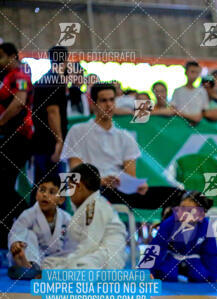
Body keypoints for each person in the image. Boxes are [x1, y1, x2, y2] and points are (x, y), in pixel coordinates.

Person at [61, 82, 185, 211]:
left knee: (180, 195)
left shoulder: (125, 136)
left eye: (112, 100)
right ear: (93, 104)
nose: (109, 104)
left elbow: (130, 176)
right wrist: (101, 180)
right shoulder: (78, 131)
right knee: (95, 191)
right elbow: (75, 171)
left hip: (119, 190)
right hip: (91, 188)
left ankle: (170, 227)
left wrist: (135, 185)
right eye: (103, 100)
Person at [42, 163, 127, 269]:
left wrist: (63, 265)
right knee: (48, 262)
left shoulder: (95, 206)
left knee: (84, 266)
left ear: (79, 187)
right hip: (88, 254)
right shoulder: (85, 207)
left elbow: (90, 245)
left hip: (106, 257)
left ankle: (58, 274)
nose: (69, 194)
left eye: (70, 188)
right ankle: (57, 272)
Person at [0, 42, 34, 248]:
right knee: (2, 187)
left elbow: (19, 102)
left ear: (12, 56)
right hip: (6, 137)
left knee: (4, 184)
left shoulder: (20, 76)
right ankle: (5, 240)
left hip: (18, 137)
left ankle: (26, 212)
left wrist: (1, 122)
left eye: (1, 56)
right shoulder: (4, 78)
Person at [148, 191, 217, 282]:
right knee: (167, 275)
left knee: (200, 276)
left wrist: (213, 276)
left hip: (193, 258)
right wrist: (147, 272)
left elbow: (211, 253)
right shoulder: (169, 223)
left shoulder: (206, 226)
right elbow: (156, 247)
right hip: (173, 257)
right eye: (181, 208)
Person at [7, 174, 70, 279]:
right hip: (32, 257)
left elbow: (74, 243)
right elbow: (16, 231)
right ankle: (28, 266)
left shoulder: (66, 218)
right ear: (36, 195)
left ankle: (43, 272)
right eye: (42, 190)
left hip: (56, 260)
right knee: (29, 235)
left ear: (61, 199)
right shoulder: (29, 214)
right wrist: (16, 243)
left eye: (52, 192)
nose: (45, 195)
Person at [32, 46, 69, 195]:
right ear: (66, 59)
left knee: (41, 189)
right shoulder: (55, 80)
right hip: (50, 144)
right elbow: (52, 112)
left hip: (41, 142)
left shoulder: (45, 79)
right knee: (54, 191)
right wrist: (59, 141)